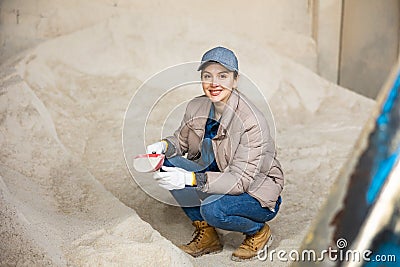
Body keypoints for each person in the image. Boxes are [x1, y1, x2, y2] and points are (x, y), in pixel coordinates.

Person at [147, 46, 284, 261]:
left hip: (254, 192)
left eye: (223, 76)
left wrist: (190, 178)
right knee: (166, 163)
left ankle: (257, 231)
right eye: (207, 76)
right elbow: (181, 142)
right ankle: (208, 234)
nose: (214, 83)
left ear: (235, 80)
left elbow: (239, 181)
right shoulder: (196, 106)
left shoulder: (251, 122)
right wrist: (163, 147)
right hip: (217, 176)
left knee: (213, 209)